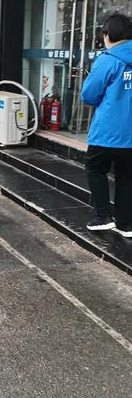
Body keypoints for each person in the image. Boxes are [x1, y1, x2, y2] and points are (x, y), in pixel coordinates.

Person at [81, 13, 132, 238]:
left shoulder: (108, 59)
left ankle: (103, 217)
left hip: (107, 132)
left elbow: (89, 95)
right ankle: (126, 223)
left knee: (95, 168)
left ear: (108, 34)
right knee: (127, 175)